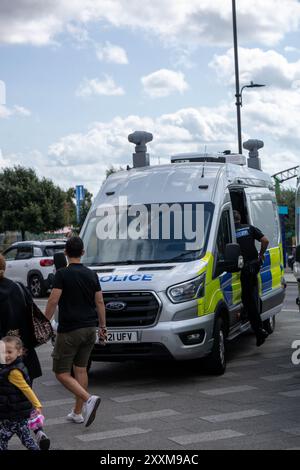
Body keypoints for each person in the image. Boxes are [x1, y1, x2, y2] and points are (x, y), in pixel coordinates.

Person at [45, 236, 106, 427]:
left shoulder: (62, 274)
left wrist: (44, 322)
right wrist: (103, 327)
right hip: (90, 329)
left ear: (65, 252)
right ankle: (78, 413)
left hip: (70, 330)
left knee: (61, 372)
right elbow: (100, 302)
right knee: (80, 369)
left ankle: (88, 399)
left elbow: (53, 300)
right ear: (83, 252)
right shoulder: (91, 274)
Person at [0, 254, 50, 449]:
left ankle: (15, 435)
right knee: (23, 397)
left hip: (4, 358)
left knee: (8, 403)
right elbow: (31, 319)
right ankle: (37, 431)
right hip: (25, 355)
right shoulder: (19, 288)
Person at [0, 335, 45, 450]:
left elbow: (26, 389)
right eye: (3, 352)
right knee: (26, 439)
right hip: (19, 412)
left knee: (1, 439)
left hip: (12, 413)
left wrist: (37, 405)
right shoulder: (12, 366)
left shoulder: (13, 372)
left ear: (19, 352)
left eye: (9, 352)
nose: (6, 355)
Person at [233, 210, 270, 347]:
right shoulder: (249, 228)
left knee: (248, 300)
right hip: (255, 266)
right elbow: (265, 240)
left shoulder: (230, 232)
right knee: (251, 298)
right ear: (240, 218)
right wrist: (261, 254)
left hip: (245, 270)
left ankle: (259, 331)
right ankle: (256, 325)